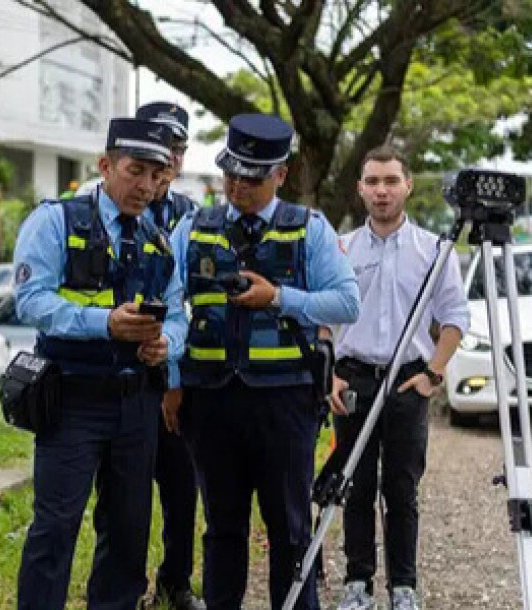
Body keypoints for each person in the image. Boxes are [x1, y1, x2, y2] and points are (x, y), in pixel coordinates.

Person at [168, 113, 361, 610]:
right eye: (231, 174)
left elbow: (346, 302)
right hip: (210, 402)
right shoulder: (193, 228)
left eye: (251, 178)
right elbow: (169, 305)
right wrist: (172, 380)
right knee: (222, 529)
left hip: (284, 401)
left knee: (291, 529)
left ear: (281, 174)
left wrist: (280, 297)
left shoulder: (309, 230)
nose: (238, 187)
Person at [13, 117, 189, 610]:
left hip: (137, 404)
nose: (147, 186)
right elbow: (30, 300)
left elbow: (178, 316)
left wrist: (166, 344)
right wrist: (103, 323)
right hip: (71, 398)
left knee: (129, 532)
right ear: (106, 164)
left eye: (157, 176)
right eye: (136, 171)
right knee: (55, 528)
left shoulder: (158, 238)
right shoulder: (55, 221)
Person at [330, 145, 469, 610]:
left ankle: (403, 587)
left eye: (391, 181)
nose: (382, 190)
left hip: (408, 379)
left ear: (407, 185)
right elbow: (325, 319)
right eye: (373, 181)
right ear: (360, 188)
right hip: (353, 380)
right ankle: (357, 585)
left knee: (402, 488)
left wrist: (435, 372)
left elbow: (454, 315)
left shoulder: (434, 249)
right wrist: (328, 373)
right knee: (354, 484)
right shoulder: (341, 249)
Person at [135, 101, 204, 610]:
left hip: (175, 374)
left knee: (183, 489)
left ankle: (175, 581)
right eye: (162, 147)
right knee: (127, 494)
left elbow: (191, 305)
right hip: (124, 377)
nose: (171, 159)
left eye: (177, 150)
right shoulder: (108, 207)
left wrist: (175, 380)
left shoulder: (189, 216)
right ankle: (122, 584)